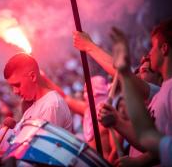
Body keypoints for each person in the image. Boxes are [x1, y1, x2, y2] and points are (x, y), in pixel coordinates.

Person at [73, 29, 162, 166]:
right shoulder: (146, 107)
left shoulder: (164, 93)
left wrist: (89, 46)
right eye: (136, 74)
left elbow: (162, 149)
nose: (148, 54)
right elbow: (147, 142)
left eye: (144, 70)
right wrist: (117, 121)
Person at [110, 19, 172, 166]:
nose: (149, 53)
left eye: (152, 47)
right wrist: (124, 72)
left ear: (164, 48)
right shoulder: (163, 91)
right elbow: (147, 137)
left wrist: (138, 163)